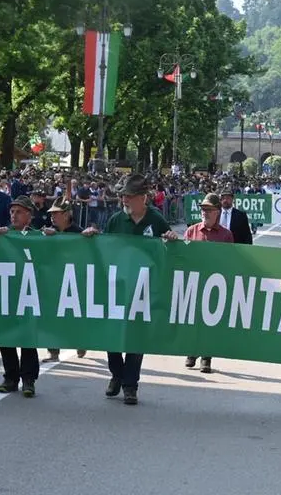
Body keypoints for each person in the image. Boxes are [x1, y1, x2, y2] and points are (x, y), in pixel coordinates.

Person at [82, 173, 178, 405]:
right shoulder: (116, 220)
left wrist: (172, 239)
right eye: (122, 196)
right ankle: (116, 374)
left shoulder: (156, 220)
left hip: (144, 289)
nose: (124, 200)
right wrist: (93, 237)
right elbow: (106, 250)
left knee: (136, 338)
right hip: (118, 287)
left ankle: (130, 385)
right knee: (113, 335)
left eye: (129, 196)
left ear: (143, 198)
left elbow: (170, 250)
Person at [0, 195, 42, 396]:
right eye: (12, 212)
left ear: (29, 216)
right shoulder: (2, 235)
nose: (14, 215)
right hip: (6, 292)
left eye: (19, 212)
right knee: (6, 335)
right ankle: (10, 376)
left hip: (30, 293)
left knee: (27, 336)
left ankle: (29, 379)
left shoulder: (38, 237)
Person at [183, 193, 234, 373]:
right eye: (203, 209)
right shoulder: (192, 231)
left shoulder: (226, 235)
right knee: (193, 320)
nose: (205, 213)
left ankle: (206, 357)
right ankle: (191, 352)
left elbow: (230, 260)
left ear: (217, 212)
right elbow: (184, 257)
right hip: (194, 283)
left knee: (210, 322)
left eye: (209, 210)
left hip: (215, 284)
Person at [42, 197, 86, 363]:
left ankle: (80, 341)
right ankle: (53, 351)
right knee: (51, 314)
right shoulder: (47, 231)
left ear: (67, 214)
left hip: (73, 280)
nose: (52, 217)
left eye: (56, 213)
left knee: (74, 315)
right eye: (51, 214)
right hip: (53, 279)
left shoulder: (78, 232)